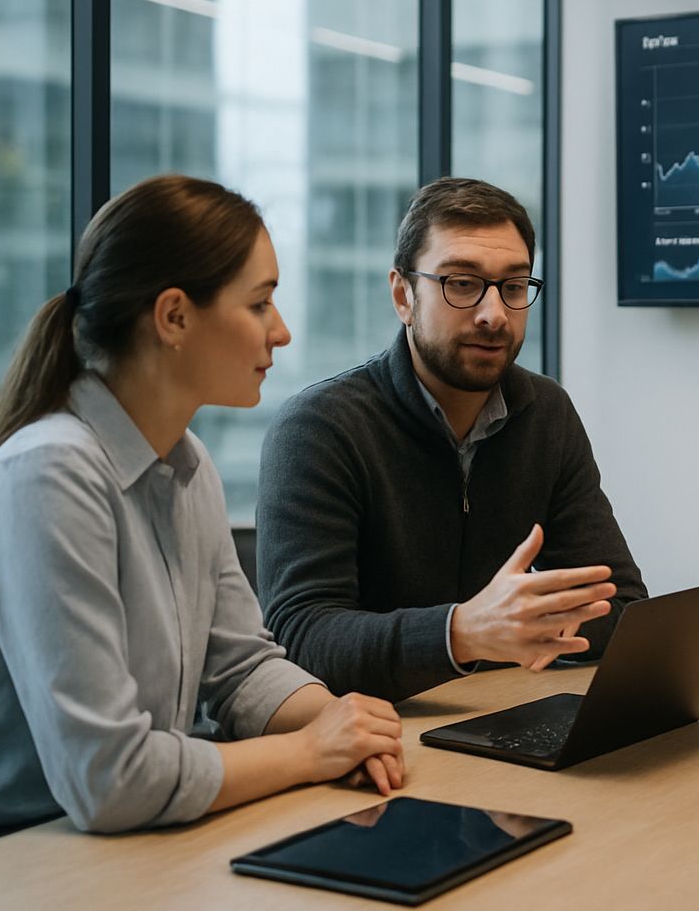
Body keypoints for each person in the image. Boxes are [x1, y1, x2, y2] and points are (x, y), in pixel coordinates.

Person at [0, 175, 404, 840]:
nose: (283, 331)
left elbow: (241, 667)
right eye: (260, 304)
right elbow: (108, 780)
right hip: (31, 856)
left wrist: (338, 721)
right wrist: (308, 751)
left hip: (150, 841)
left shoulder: (189, 463)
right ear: (174, 316)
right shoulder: (48, 473)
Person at [258, 178, 647, 702]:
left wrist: (519, 627)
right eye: (461, 284)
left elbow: (619, 605)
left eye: (513, 286)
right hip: (371, 738)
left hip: (495, 715)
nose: (494, 314)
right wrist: (463, 633)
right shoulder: (320, 427)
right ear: (403, 295)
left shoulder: (545, 413)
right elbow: (300, 638)